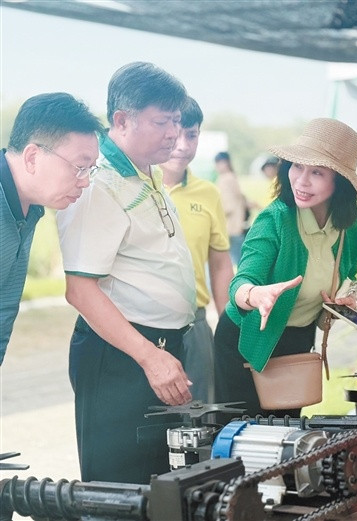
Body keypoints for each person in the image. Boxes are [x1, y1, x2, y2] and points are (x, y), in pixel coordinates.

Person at [56, 62, 197, 485]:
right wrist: (150, 357)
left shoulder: (146, 171)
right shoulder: (99, 184)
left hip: (158, 349)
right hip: (123, 355)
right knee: (117, 489)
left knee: (158, 485)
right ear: (121, 120)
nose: (173, 133)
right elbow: (80, 290)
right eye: (161, 122)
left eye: (177, 120)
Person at [214, 118, 357, 418]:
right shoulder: (274, 219)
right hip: (247, 339)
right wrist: (254, 295)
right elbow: (242, 281)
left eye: (317, 172)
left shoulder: (352, 224)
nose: (301, 181)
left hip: (298, 342)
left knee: (290, 436)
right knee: (243, 436)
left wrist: (346, 302)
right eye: (297, 166)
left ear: (340, 182)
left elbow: (349, 276)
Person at [0, 92, 102, 365]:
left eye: (90, 169)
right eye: (80, 167)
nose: (85, 182)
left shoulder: (28, 208)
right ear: (32, 157)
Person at [160, 97, 233, 404]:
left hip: (195, 324)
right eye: (175, 135)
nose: (182, 146)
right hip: (145, 328)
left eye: (191, 135)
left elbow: (220, 264)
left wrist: (228, 327)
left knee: (200, 418)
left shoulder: (208, 193)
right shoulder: (136, 188)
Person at [214, 151, 248, 265]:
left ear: (226, 163)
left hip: (232, 225)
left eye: (220, 163)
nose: (218, 166)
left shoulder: (227, 178)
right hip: (232, 225)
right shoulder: (228, 177)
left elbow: (228, 205)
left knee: (236, 260)